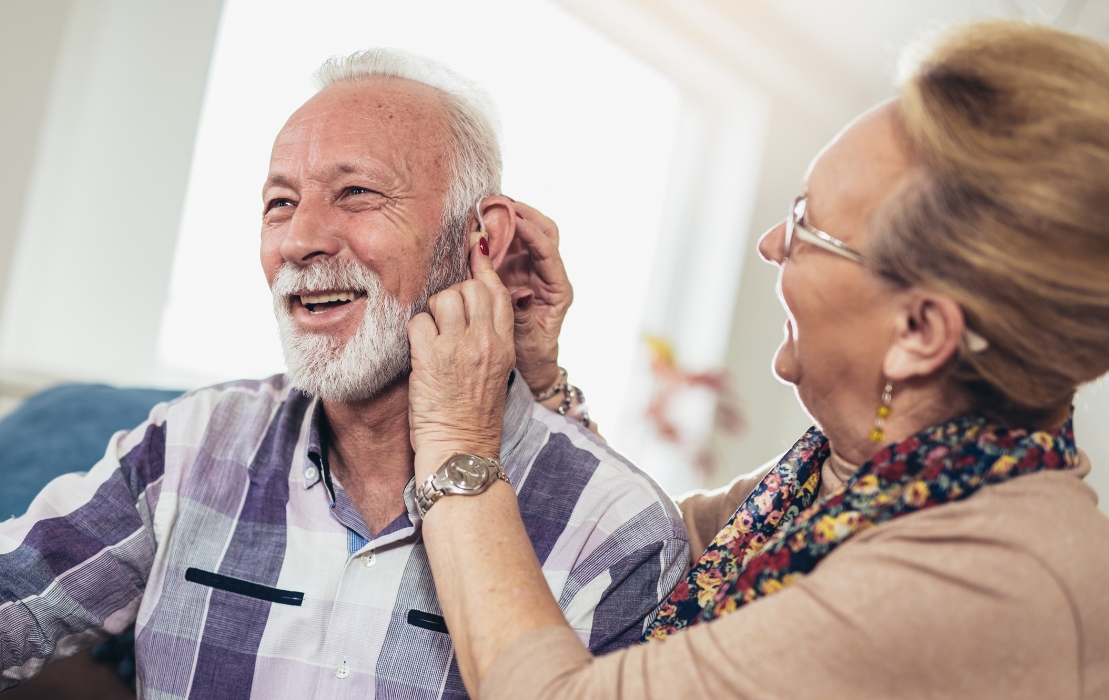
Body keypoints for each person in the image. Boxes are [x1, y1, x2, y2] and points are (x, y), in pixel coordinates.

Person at [0, 49, 688, 699]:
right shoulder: (192, 444)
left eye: (357, 193)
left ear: (480, 241)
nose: (301, 239)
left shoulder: (616, 530)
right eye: (280, 203)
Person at [405, 20, 1109, 700]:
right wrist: (541, 381)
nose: (772, 243)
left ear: (920, 331)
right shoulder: (843, 482)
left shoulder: (983, 579)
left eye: (807, 225)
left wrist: (457, 444)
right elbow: (640, 550)